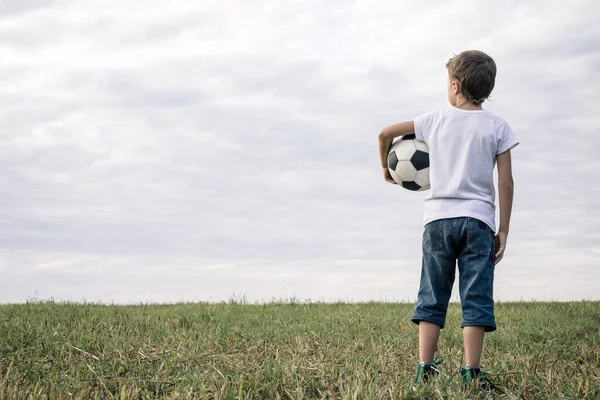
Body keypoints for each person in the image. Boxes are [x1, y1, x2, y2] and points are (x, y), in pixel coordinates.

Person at [377, 50, 519, 391]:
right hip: (479, 223)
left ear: (454, 86)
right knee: (476, 297)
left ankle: (425, 368)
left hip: (437, 221)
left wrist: (386, 169)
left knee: (432, 294)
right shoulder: (498, 126)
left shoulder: (434, 120)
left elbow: (384, 134)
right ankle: (472, 371)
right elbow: (506, 182)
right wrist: (504, 230)